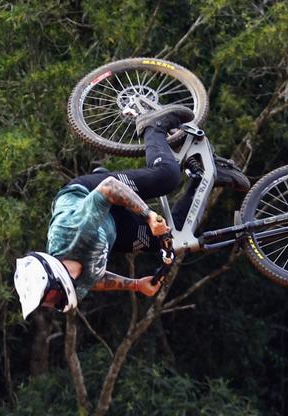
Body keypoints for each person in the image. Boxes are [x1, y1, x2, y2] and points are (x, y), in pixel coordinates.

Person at [13, 104, 249, 319]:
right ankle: (206, 176)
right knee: (171, 237)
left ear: (51, 277)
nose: (51, 304)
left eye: (48, 298)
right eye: (47, 303)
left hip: (92, 192)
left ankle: (152, 126)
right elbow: (97, 279)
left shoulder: (71, 233)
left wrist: (149, 215)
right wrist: (136, 284)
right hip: (112, 226)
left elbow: (109, 189)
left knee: (166, 178)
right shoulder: (76, 283)